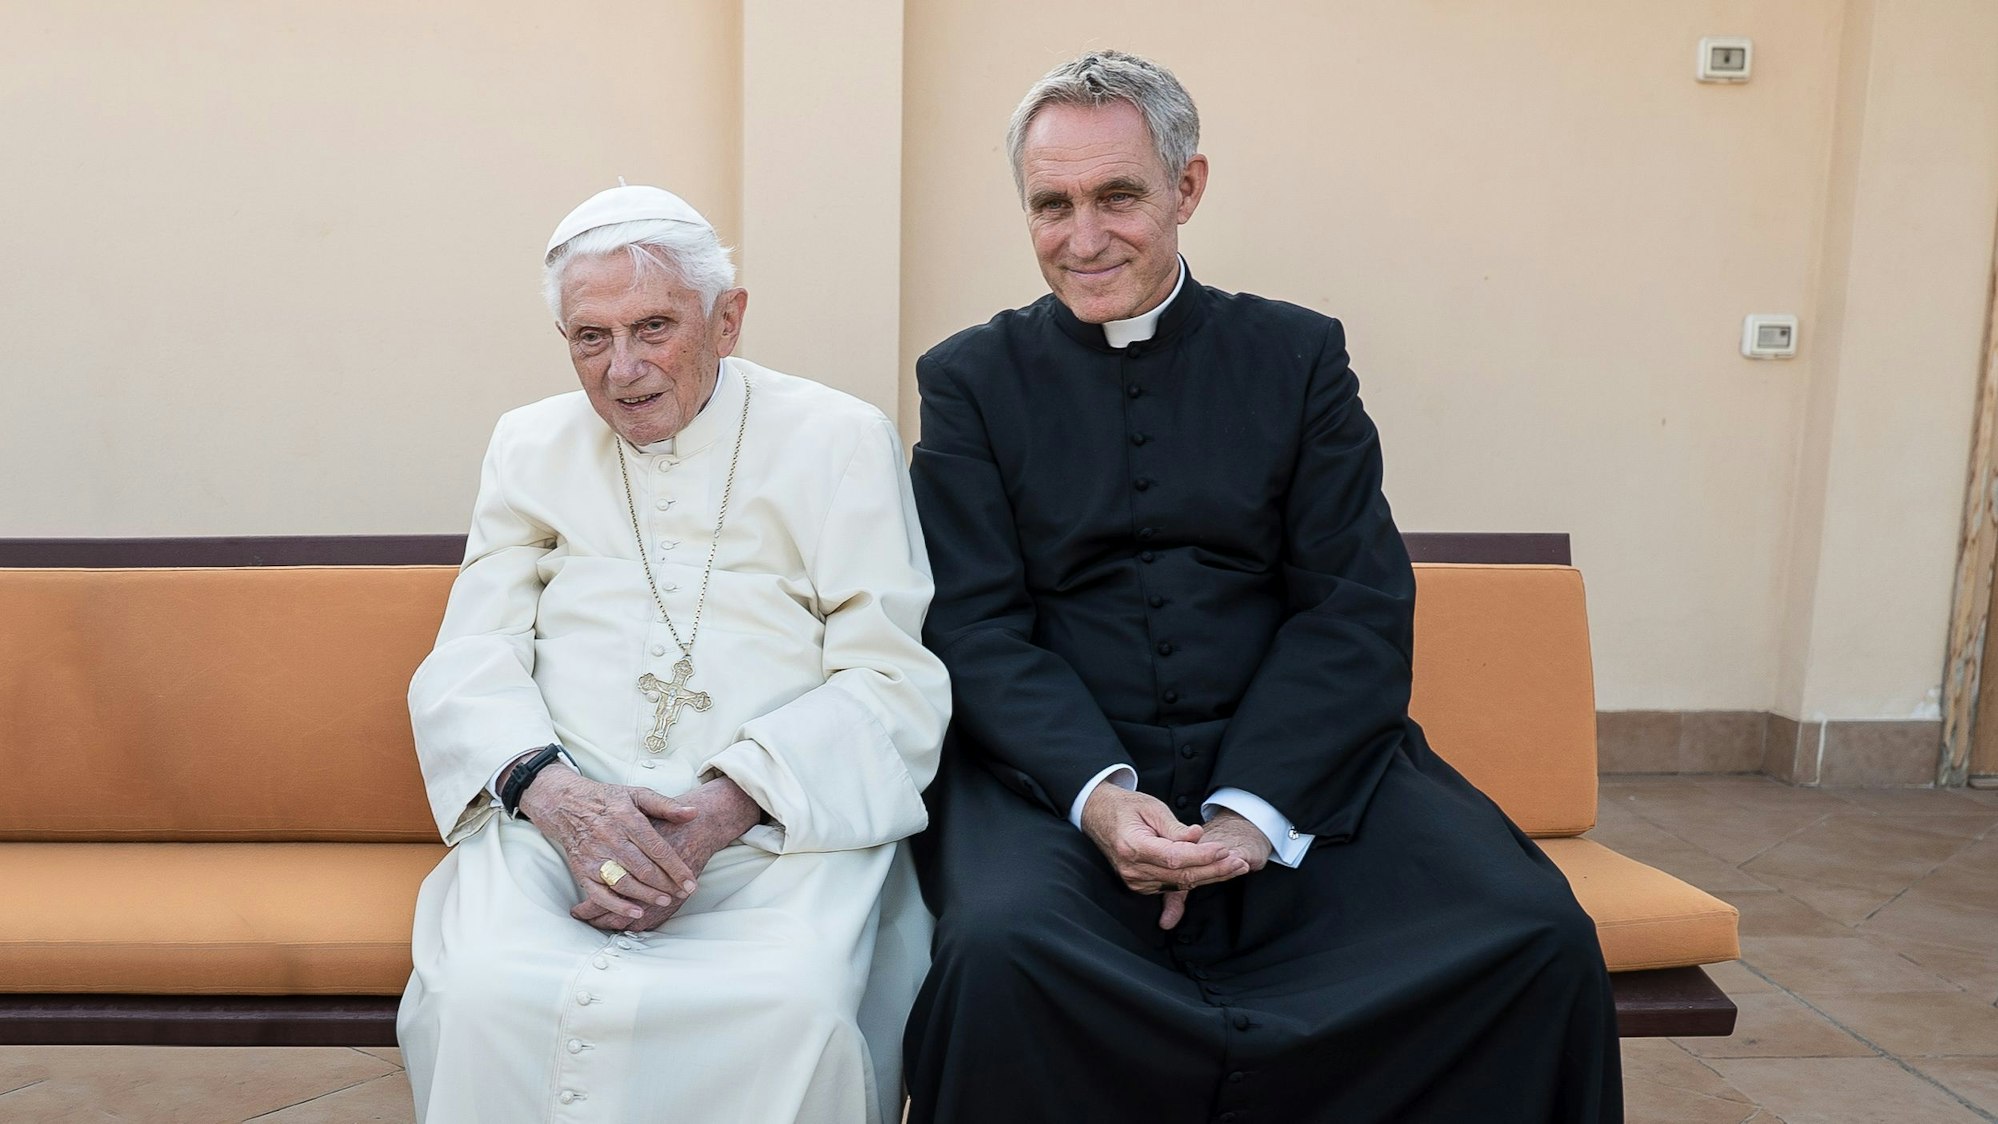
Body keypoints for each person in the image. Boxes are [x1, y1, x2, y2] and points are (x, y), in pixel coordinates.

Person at [903, 51, 1621, 1123]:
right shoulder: (968, 380)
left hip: (1299, 768)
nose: (1083, 235)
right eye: (1051, 204)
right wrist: (1098, 793)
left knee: (1535, 934)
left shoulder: (1297, 357)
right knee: (1000, 955)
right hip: (1055, 782)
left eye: (1118, 196)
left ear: (1187, 188)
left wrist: (1253, 812)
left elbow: (1354, 604)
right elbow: (976, 623)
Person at [397, 183, 949, 1124]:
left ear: (726, 321)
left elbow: (892, 676)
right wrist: (554, 795)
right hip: (556, 834)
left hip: (777, 834)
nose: (622, 370)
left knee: (792, 1006)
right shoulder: (530, 446)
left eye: (653, 328)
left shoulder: (841, 439)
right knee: (481, 992)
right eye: (589, 338)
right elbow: (471, 652)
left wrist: (730, 803)